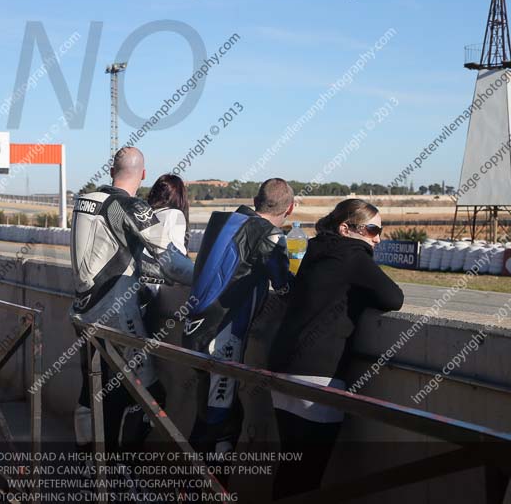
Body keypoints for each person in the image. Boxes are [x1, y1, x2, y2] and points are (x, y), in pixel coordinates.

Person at [267, 199, 403, 499]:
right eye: (371, 230)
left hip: (281, 367)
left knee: (290, 468)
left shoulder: (313, 251)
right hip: (318, 374)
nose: (377, 238)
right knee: (308, 477)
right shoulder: (354, 255)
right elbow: (393, 298)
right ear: (346, 228)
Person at [70, 146, 194, 452]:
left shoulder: (85, 200)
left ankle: (89, 462)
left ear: (111, 171)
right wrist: (212, 275)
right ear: (143, 175)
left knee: (92, 388)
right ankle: (119, 468)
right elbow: (172, 263)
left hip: (81, 307)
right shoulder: (130, 207)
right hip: (114, 309)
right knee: (147, 393)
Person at [184, 178, 295, 455]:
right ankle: (191, 488)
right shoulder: (269, 235)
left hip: (195, 328)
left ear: (257, 201)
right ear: (290, 209)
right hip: (222, 338)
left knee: (222, 416)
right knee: (215, 420)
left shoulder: (226, 220)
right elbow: (284, 287)